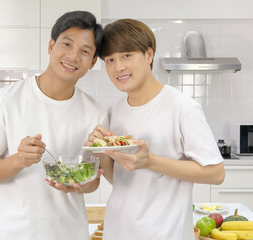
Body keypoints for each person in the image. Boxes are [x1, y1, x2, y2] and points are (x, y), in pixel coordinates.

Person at [85, 19, 225, 240]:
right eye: (110, 59)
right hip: (117, 230)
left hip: (164, 233)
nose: (118, 67)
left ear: (148, 55)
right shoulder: (115, 112)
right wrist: (102, 151)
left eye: (126, 55)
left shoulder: (182, 108)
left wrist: (151, 162)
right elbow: (118, 179)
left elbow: (216, 173)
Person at [0, 11, 106, 240]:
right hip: (13, 233)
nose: (73, 56)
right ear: (51, 46)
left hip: (70, 233)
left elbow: (94, 182)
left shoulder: (96, 112)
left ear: (93, 62)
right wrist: (18, 160)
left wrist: (80, 185)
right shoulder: (6, 99)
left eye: (85, 51)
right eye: (67, 44)